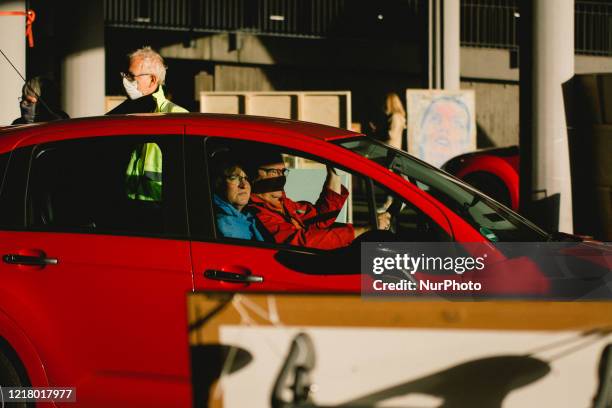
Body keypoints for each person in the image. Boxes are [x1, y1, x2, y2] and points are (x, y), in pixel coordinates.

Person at [247, 149, 390, 250]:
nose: (281, 178)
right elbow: (302, 242)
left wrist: (333, 174)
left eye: (283, 172)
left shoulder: (282, 203)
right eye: (273, 172)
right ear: (253, 175)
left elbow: (316, 219)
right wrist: (365, 230)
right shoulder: (257, 214)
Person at [107, 46, 188, 201]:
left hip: (161, 212)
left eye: (131, 76)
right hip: (125, 208)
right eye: (125, 74)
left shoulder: (176, 116)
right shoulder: (120, 113)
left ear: (152, 80)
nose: (125, 80)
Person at [212, 157, 264, 241]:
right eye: (234, 178)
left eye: (246, 178)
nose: (244, 185)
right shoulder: (224, 224)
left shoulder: (250, 216)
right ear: (219, 183)